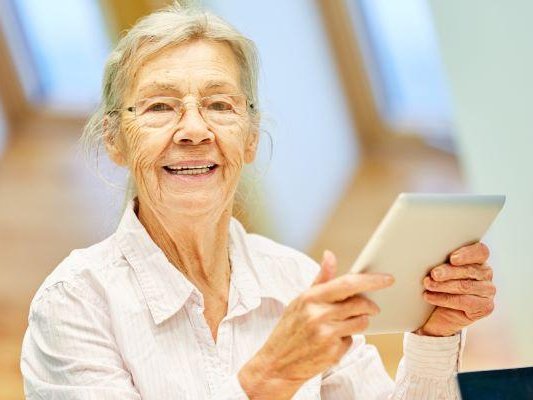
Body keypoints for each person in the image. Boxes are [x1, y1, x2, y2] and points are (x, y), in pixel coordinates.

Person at [20, 2, 496, 399]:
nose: (193, 130)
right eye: (160, 106)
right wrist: (269, 376)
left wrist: (435, 334)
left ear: (249, 139)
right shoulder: (74, 305)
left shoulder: (297, 281)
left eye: (220, 105)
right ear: (115, 140)